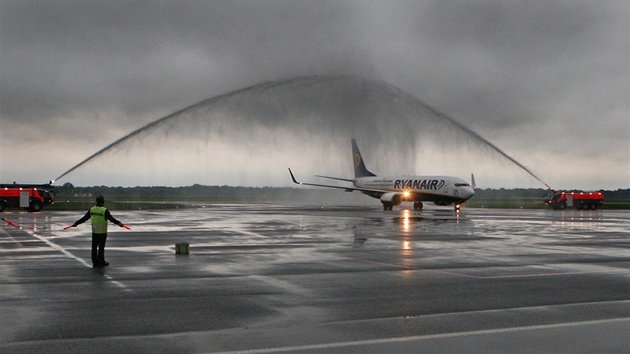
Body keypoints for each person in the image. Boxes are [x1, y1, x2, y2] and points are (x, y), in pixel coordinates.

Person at [72, 195, 126, 268]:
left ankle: (94, 261)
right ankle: (101, 261)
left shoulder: (92, 209)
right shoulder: (104, 210)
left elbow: (84, 218)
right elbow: (111, 219)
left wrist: (76, 223)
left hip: (94, 231)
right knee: (101, 247)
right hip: (102, 232)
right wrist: (119, 223)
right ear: (103, 202)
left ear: (96, 201)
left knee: (94, 247)